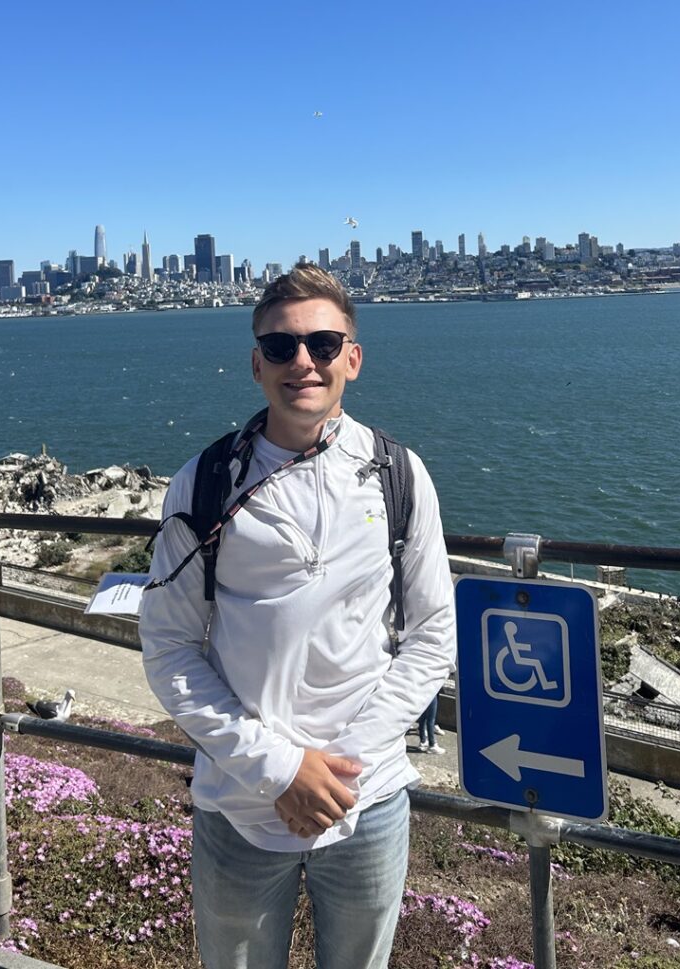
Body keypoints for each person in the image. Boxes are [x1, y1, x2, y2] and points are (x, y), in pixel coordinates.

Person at [139, 263, 456, 969]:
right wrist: (281, 770)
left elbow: (433, 637)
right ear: (256, 364)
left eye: (322, 342)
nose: (302, 361)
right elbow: (168, 645)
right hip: (241, 803)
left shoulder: (400, 473)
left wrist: (335, 773)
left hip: (367, 798)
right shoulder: (205, 481)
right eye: (281, 347)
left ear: (354, 357)